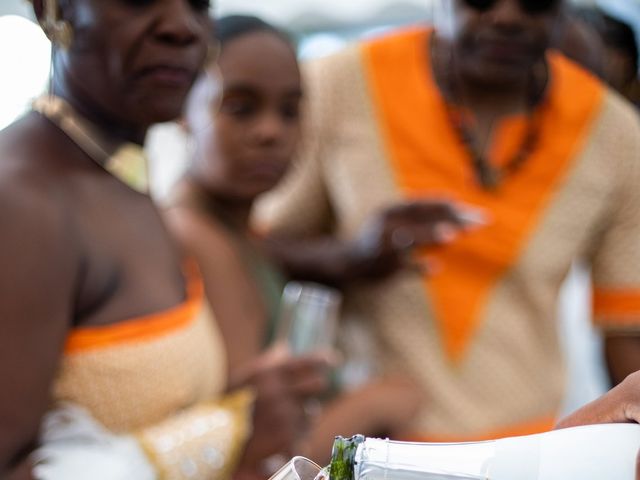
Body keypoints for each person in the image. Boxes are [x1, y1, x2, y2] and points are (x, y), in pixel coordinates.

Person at [254, 0, 640, 442]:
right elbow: (250, 250)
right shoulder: (338, 85)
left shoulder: (615, 134)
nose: (507, 16)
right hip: (363, 446)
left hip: (521, 451)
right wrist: (352, 258)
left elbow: (628, 335)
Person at [0, 1, 330, 479]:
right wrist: (226, 437)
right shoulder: (22, 200)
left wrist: (243, 410)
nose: (181, 27)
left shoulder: (119, 175)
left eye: (198, 2)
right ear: (54, 9)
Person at [166, 15, 426, 464]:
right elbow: (256, 450)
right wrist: (377, 402)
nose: (271, 131)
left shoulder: (244, 235)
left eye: (290, 110)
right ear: (183, 110)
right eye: (241, 107)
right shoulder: (196, 237)